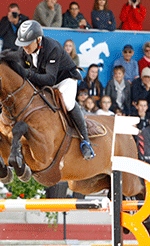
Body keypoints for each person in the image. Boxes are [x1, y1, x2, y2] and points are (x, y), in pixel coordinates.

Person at [10, 20, 94, 159]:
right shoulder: (24, 50)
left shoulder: (52, 48)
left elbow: (50, 80)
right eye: (22, 44)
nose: (24, 47)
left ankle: (85, 141)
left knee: (67, 103)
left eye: (28, 43)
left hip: (64, 79)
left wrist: (28, 74)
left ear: (38, 39)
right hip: (42, 80)